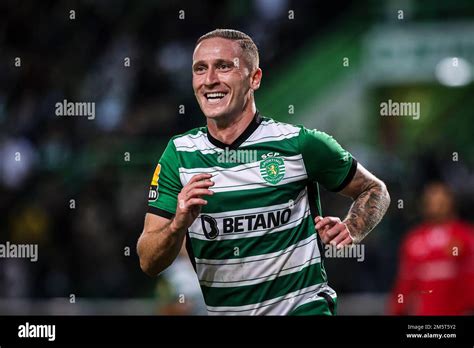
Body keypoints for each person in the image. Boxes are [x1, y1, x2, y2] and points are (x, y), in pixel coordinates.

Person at [137, 29, 390, 315]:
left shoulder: (300, 144)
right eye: (200, 69)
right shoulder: (179, 155)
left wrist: (353, 227)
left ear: (254, 78)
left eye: (224, 66)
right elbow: (148, 261)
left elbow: (374, 189)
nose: (209, 80)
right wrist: (178, 224)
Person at [389, 182, 474, 315]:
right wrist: (397, 309)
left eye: (441, 200)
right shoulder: (414, 240)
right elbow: (405, 281)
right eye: (432, 200)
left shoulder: (466, 236)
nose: (436, 205)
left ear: (451, 202)